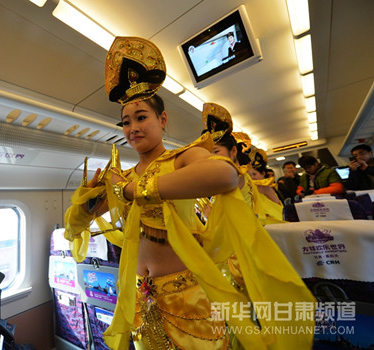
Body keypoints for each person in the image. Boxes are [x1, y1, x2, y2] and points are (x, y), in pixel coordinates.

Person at [64, 36, 315, 350]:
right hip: (143, 298)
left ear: (162, 120)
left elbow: (225, 174)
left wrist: (130, 190)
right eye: (126, 122)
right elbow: (74, 229)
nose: (133, 128)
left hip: (188, 296)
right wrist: (85, 203)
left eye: (142, 118)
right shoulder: (122, 175)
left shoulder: (180, 159)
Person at [247, 148, 284, 224]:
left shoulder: (265, 186)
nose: (252, 177)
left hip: (271, 217)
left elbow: (276, 203)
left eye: (254, 174)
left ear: (263, 174)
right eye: (249, 175)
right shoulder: (250, 185)